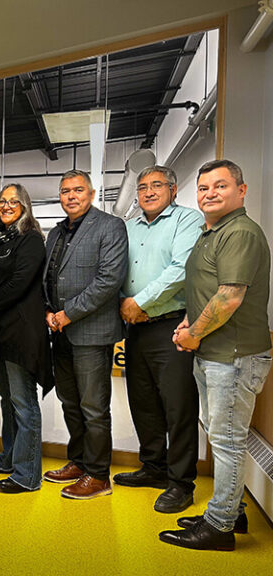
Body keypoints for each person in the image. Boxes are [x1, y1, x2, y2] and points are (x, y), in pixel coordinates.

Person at [161, 160, 271, 551]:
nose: (209, 193)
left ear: (241, 191)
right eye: (204, 187)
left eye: (220, 186)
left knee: (226, 441)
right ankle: (230, 510)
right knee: (220, 435)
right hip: (215, 351)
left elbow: (229, 297)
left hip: (235, 355)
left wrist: (193, 333)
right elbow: (206, 290)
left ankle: (220, 526)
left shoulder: (239, 232)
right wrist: (189, 326)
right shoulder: (211, 234)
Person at [114, 166, 203, 513]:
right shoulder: (127, 227)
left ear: (173, 189)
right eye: (142, 187)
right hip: (134, 328)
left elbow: (181, 268)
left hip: (170, 327)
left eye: (156, 185)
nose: (149, 192)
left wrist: (139, 302)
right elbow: (117, 269)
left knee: (178, 407)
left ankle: (181, 483)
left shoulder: (187, 221)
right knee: (144, 402)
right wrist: (124, 304)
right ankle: (153, 468)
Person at [42, 169, 128, 499]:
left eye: (78, 190)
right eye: (65, 191)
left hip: (91, 332)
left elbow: (108, 280)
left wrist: (67, 313)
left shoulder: (110, 226)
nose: (71, 196)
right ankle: (77, 462)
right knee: (70, 403)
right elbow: (48, 277)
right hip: (60, 331)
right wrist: (48, 311)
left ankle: (98, 475)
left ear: (91, 194)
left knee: (94, 407)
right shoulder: (55, 233)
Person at [0, 184, 53, 493]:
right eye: (3, 201)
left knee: (23, 403)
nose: (7, 205)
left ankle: (27, 475)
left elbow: (19, 283)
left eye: (14, 201)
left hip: (20, 330)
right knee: (7, 400)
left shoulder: (31, 238)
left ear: (25, 205)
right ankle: (9, 458)